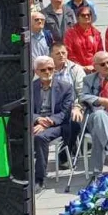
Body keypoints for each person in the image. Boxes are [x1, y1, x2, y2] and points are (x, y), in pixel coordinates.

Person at [31, 55, 75, 189]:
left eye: (50, 69)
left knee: (40, 137)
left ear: (54, 69)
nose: (47, 72)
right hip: (36, 122)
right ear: (36, 72)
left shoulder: (65, 87)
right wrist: (37, 119)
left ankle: (39, 179)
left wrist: (47, 123)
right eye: (43, 70)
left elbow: (64, 113)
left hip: (58, 124)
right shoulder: (30, 88)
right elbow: (25, 110)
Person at [78, 51, 108, 180]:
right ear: (95, 66)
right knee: (99, 115)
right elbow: (83, 96)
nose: (107, 66)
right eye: (103, 64)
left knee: (98, 132)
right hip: (95, 117)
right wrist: (101, 100)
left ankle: (96, 174)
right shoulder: (89, 79)